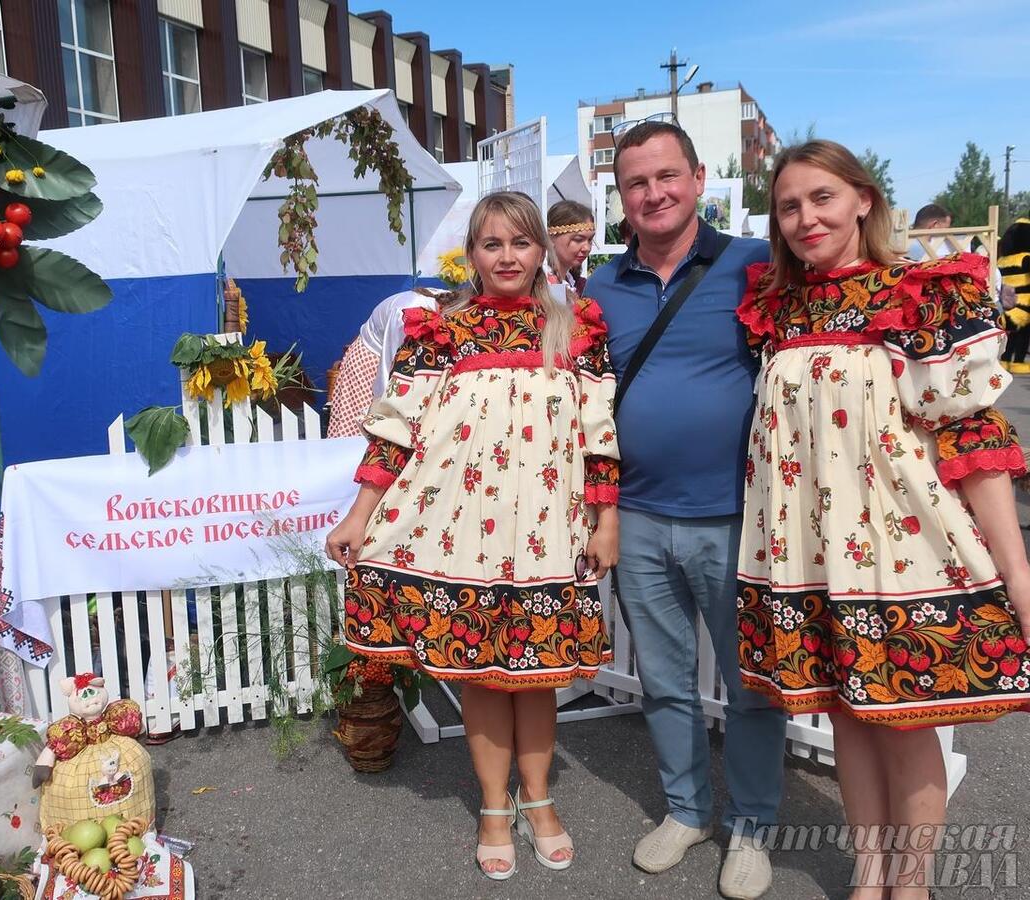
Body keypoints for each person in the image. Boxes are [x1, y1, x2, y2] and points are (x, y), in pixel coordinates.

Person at [737, 139, 1030, 900]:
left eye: (822, 198)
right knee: (848, 722)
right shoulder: (778, 309)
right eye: (790, 205)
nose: (806, 218)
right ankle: (869, 878)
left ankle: (914, 885)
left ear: (863, 199)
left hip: (904, 554)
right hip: (809, 558)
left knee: (907, 721)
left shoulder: (922, 292)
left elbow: (974, 434)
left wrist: (1018, 568)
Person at [325, 191, 620, 880]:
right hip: (463, 535)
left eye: (520, 242)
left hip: (549, 531)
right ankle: (494, 806)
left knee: (536, 677)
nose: (508, 256)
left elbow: (599, 433)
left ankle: (540, 803)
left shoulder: (574, 328)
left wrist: (607, 518)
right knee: (482, 674)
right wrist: (359, 514)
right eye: (493, 244)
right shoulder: (441, 329)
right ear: (474, 254)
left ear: (541, 249)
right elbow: (396, 427)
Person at [584, 120, 787, 900]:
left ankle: (753, 828)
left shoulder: (757, 265)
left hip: (737, 518)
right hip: (636, 517)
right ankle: (687, 810)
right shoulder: (603, 286)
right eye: (637, 183)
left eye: (667, 176)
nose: (654, 193)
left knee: (752, 686)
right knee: (665, 680)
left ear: (699, 178)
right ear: (621, 196)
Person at [326, 288, 445, 438]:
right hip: (370, 360)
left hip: (401, 357)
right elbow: (390, 366)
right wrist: (383, 410)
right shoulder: (405, 312)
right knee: (358, 432)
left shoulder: (450, 303)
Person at [998, 212, 1030, 374]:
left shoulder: (1004, 260)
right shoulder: (1026, 258)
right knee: (1024, 334)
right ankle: (1017, 362)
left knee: (1012, 332)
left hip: (1009, 299)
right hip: (1025, 300)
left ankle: (1005, 359)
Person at [546, 199, 595, 294]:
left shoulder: (576, 283)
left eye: (590, 240)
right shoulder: (544, 284)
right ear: (551, 237)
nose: (587, 248)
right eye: (578, 239)